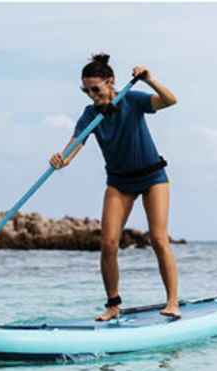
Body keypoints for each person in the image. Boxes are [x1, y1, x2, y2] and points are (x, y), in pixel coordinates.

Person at [49, 53, 180, 321]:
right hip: (119, 183)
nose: (90, 94)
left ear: (111, 82)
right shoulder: (90, 115)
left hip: (153, 176)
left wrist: (149, 80)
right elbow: (73, 148)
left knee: (158, 238)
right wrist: (61, 159)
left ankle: (172, 302)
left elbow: (169, 101)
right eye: (85, 90)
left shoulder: (131, 99)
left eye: (95, 88)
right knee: (108, 244)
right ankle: (113, 305)